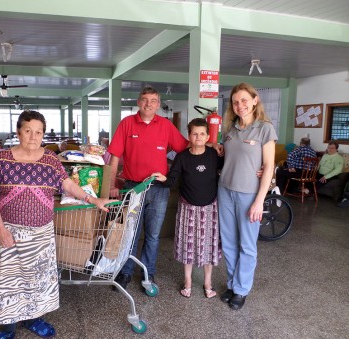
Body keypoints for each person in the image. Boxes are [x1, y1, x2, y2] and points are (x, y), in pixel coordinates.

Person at [0, 110, 114, 339]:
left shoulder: (50, 160)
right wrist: (0, 229)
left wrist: (93, 199)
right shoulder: (1, 159)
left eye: (38, 132)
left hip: (42, 233)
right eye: (28, 131)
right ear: (18, 132)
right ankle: (8, 327)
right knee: (10, 282)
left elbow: (68, 185)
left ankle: (33, 319)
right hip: (11, 231)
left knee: (38, 278)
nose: (33, 137)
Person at [107, 86, 189, 290]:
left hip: (159, 189)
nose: (148, 104)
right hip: (132, 188)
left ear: (158, 104)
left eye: (153, 100)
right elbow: (114, 156)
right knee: (131, 234)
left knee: (152, 235)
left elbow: (184, 149)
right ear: (138, 102)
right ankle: (125, 272)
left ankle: (147, 273)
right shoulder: (127, 123)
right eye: (145, 99)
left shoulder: (165, 125)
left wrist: (210, 145)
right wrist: (111, 185)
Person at [218, 83, 277, 310]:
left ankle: (242, 290)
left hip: (249, 195)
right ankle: (232, 284)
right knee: (230, 243)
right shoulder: (230, 130)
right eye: (235, 101)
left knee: (247, 245)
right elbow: (229, 157)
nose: (239, 105)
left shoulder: (265, 129)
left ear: (254, 101)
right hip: (224, 191)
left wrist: (259, 201)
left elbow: (269, 165)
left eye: (244, 100)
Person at [151, 118, 223, 298]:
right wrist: (163, 179)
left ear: (208, 136)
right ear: (189, 136)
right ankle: (188, 280)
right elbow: (173, 179)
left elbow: (227, 171)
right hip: (187, 207)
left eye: (202, 134)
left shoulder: (214, 155)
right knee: (187, 245)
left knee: (209, 246)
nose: (198, 137)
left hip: (210, 207)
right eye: (194, 133)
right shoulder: (182, 157)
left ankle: (208, 282)